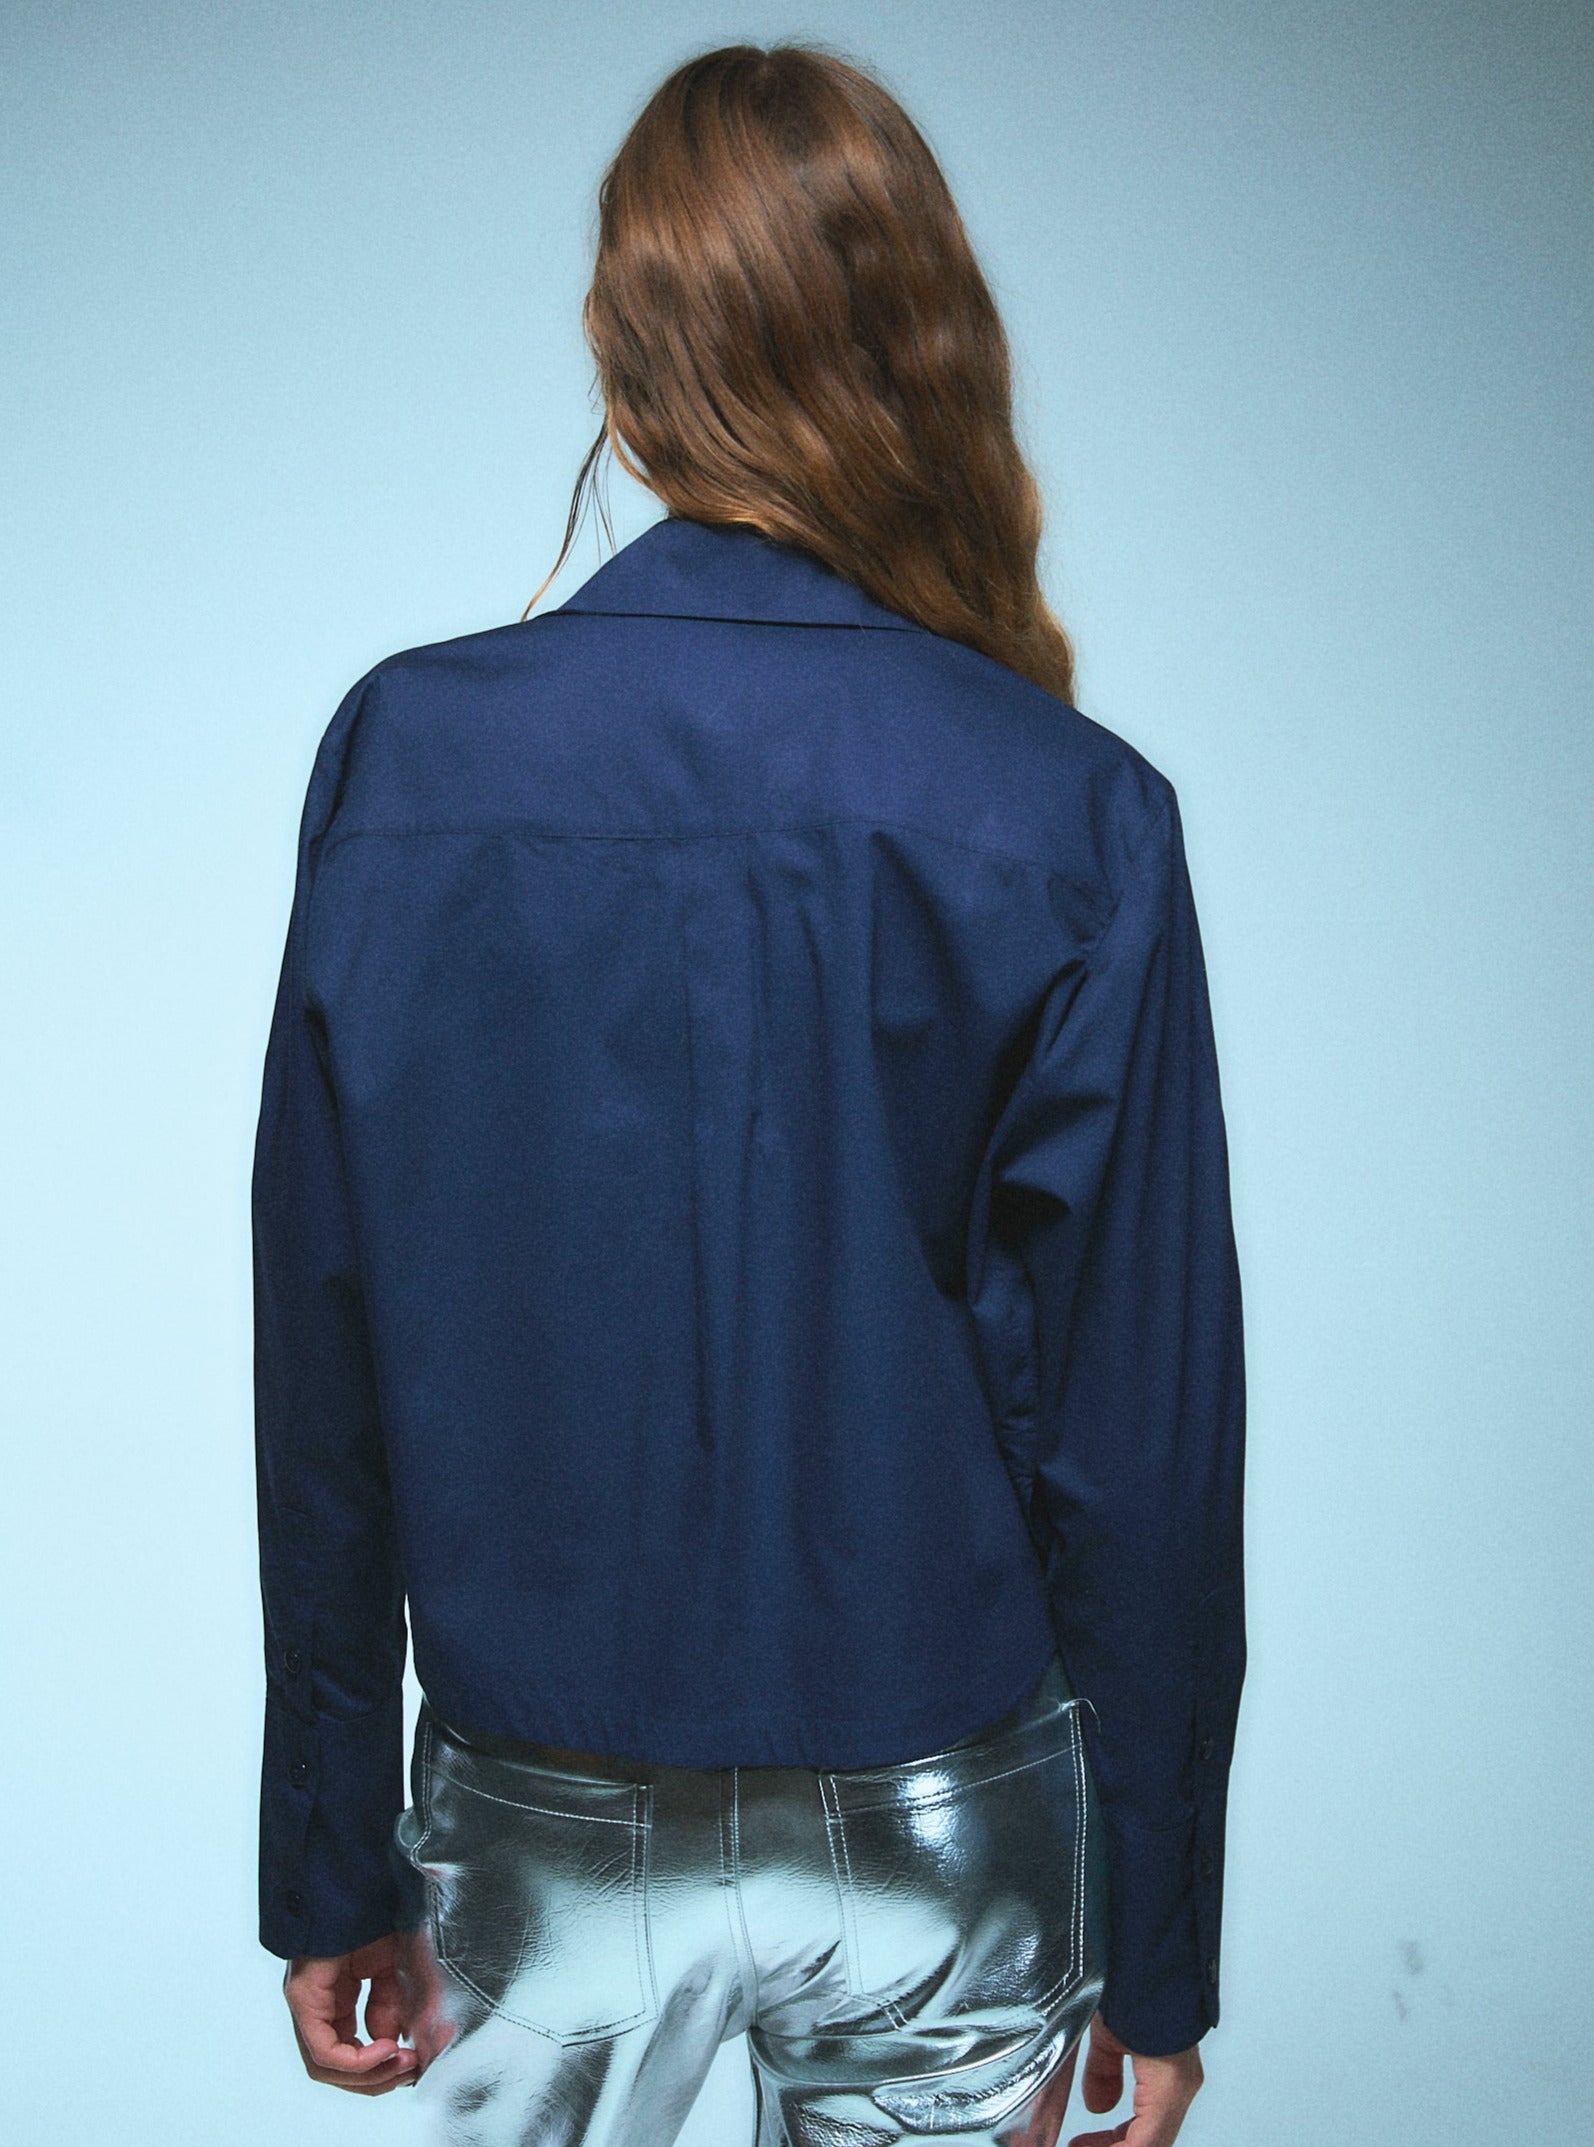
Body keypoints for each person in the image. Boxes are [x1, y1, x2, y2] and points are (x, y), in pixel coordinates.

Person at [251, 40, 1246, 2147]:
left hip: (529, 1814)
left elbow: (320, 1353)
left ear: (623, 361)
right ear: (921, 357)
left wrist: (327, 1852)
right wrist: (1157, 1937)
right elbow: (1137, 1431)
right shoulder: (1071, 810)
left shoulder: (406, 761)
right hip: (943, 1813)